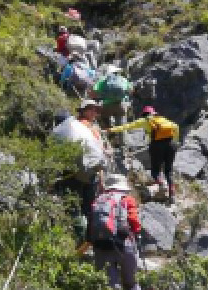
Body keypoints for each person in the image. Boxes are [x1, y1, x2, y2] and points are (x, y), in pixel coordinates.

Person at [52, 99, 106, 240]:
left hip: (71, 174)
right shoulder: (87, 128)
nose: (94, 112)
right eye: (92, 109)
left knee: (74, 207)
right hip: (90, 173)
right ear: (83, 110)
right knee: (88, 208)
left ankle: (80, 239)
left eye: (96, 110)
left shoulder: (66, 129)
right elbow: (98, 153)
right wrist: (101, 177)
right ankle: (90, 238)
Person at [106, 106, 180, 200]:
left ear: (144, 114)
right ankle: (171, 192)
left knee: (155, 170)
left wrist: (111, 129)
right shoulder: (162, 119)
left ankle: (161, 184)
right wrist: (175, 141)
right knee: (168, 170)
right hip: (171, 144)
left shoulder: (145, 120)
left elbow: (127, 126)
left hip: (156, 145)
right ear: (153, 112)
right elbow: (176, 126)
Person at [90, 174, 142, 290]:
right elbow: (134, 220)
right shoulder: (127, 199)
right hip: (125, 244)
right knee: (131, 282)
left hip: (102, 245)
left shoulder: (99, 199)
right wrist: (136, 233)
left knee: (110, 285)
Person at [90, 65, 132, 131]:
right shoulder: (123, 79)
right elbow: (131, 90)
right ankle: (120, 133)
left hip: (107, 105)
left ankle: (109, 132)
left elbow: (94, 92)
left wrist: (99, 98)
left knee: (103, 117)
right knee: (120, 121)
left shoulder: (103, 80)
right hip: (121, 104)